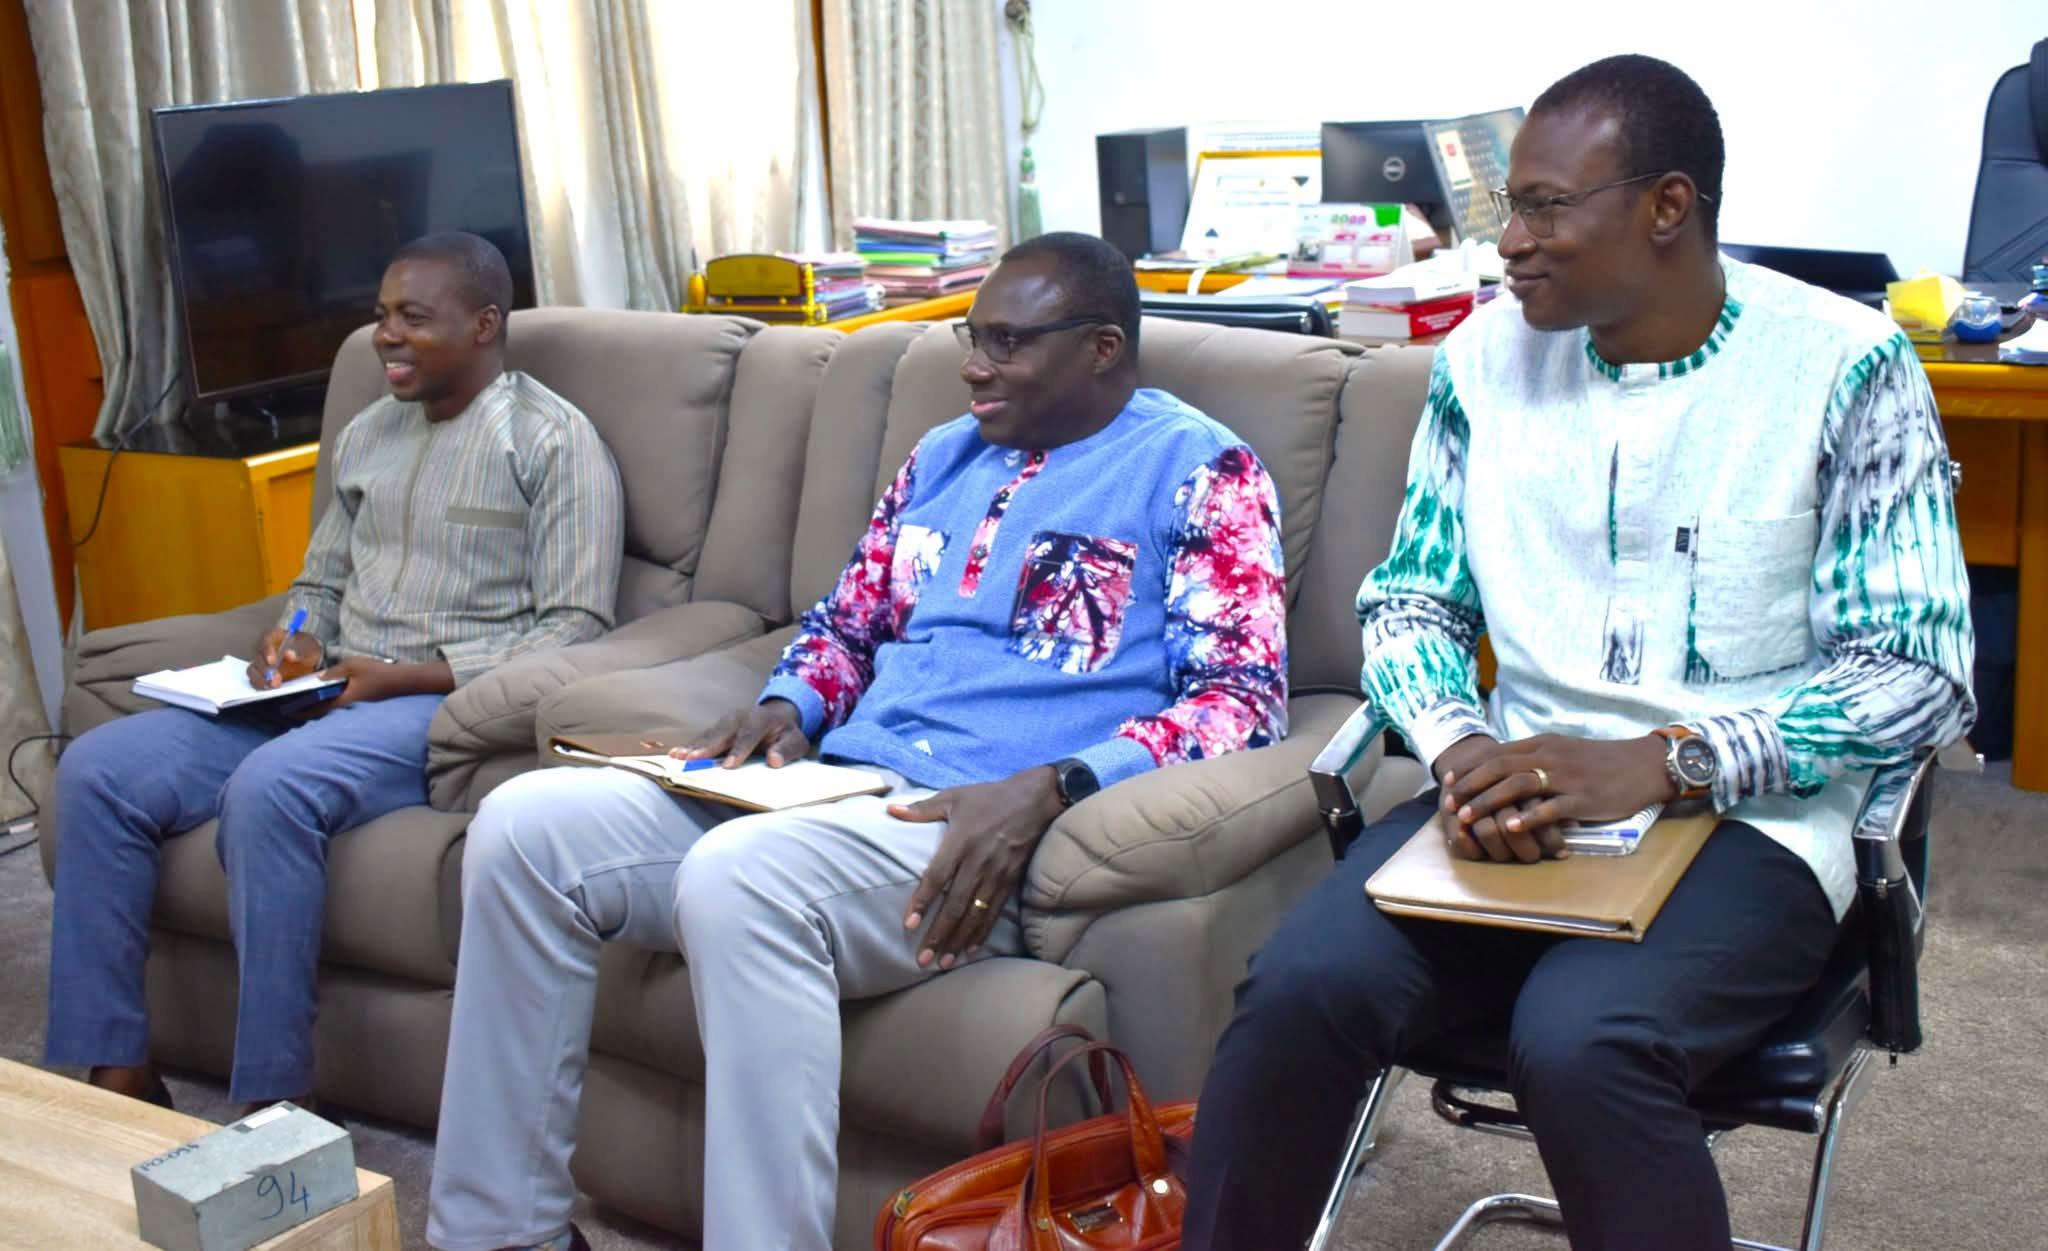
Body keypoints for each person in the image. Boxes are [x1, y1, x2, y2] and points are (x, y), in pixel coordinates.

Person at [1182, 55, 1974, 1251]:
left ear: (1666, 206)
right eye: (1510, 208)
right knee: (1296, 988)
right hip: (1513, 792)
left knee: (1582, 1039)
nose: (1510, 243)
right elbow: (1410, 604)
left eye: (1547, 208)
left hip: (1754, 817)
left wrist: (1670, 760)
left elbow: (1917, 669)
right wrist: (1458, 751)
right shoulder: (1477, 363)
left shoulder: (1844, 365)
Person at [424, 230, 1289, 1251]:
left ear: (1101, 348)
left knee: (738, 880)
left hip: (964, 823)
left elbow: (1240, 702)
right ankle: (498, 1236)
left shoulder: (1200, 469)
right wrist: (790, 703)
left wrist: (1057, 783)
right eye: (973, 337)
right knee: (522, 827)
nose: (974, 366)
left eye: (1007, 343)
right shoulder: (943, 455)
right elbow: (845, 624)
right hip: (834, 787)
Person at [45, 231, 625, 1111]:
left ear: (483, 325)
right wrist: (296, 640)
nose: (386, 335)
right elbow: (317, 586)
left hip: (434, 703)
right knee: (96, 769)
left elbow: (576, 628)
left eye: (412, 317)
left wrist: (410, 676)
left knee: (269, 790)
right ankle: (116, 1075)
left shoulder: (552, 442)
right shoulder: (367, 433)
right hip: (317, 693)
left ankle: (276, 1104)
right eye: (382, 314)